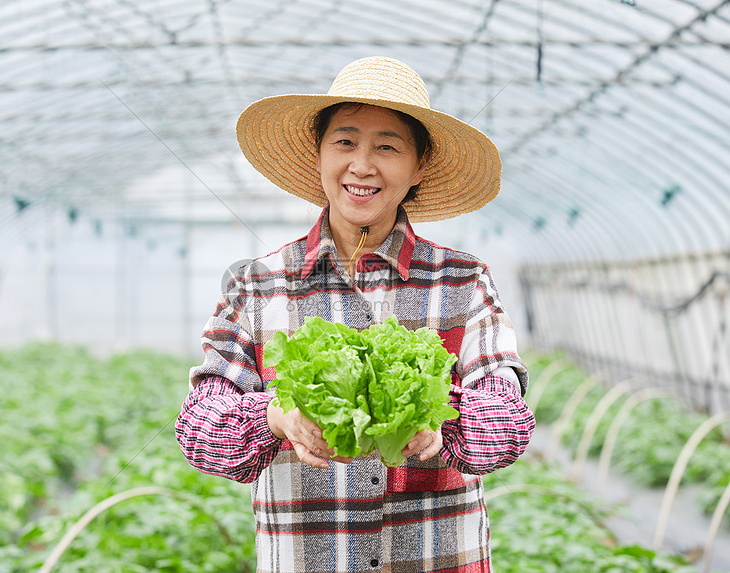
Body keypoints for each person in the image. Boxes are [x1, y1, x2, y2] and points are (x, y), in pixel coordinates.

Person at [176, 56, 535, 573]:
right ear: (319, 156)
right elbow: (199, 430)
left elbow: (507, 421)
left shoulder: (463, 282)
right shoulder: (256, 284)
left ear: (418, 168)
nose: (362, 165)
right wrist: (277, 417)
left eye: (387, 147)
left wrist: (436, 424)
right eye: (345, 142)